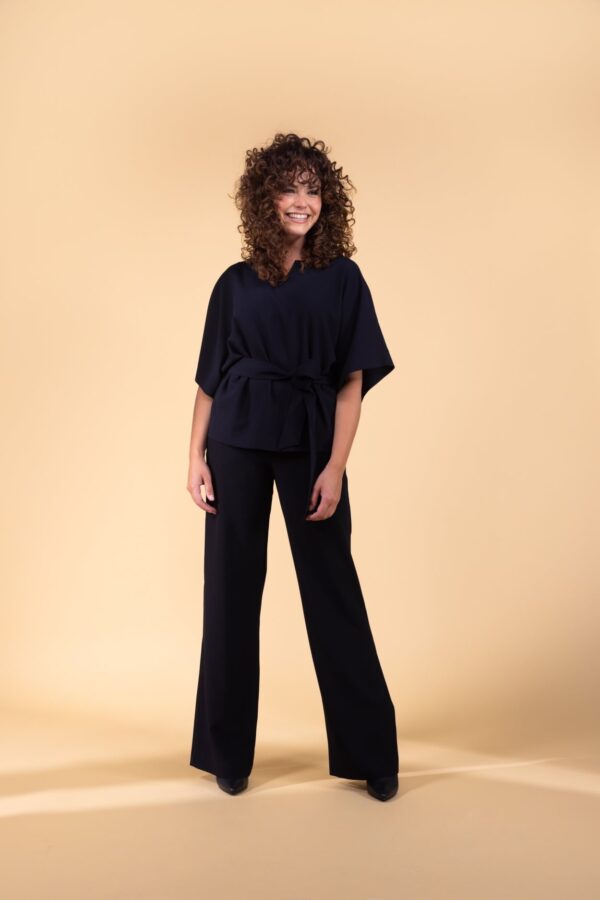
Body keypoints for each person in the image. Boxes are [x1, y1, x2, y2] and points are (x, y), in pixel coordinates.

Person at [187, 132, 399, 802]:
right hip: (236, 439)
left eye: (313, 189)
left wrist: (335, 465)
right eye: (289, 188)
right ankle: (226, 753)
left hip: (309, 437)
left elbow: (351, 382)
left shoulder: (343, 278)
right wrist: (193, 456)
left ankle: (372, 753)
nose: (301, 201)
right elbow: (210, 379)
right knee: (229, 591)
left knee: (332, 588)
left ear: (327, 199)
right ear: (265, 199)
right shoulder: (234, 283)